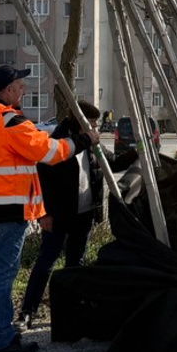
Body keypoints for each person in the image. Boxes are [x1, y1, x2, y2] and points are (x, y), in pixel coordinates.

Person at [0, 65, 98, 352]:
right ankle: (1, 342)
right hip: (7, 211)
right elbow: (49, 152)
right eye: (21, 85)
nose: (24, 90)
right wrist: (84, 140)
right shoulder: (11, 122)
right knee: (0, 277)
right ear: (8, 89)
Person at [16, 100, 138, 328]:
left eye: (95, 122)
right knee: (46, 262)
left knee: (76, 264)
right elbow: (40, 181)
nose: (95, 126)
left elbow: (113, 163)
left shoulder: (92, 144)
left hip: (83, 215)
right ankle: (27, 311)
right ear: (78, 120)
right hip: (58, 215)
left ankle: (70, 311)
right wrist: (43, 215)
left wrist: (137, 151)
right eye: (91, 121)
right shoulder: (56, 142)